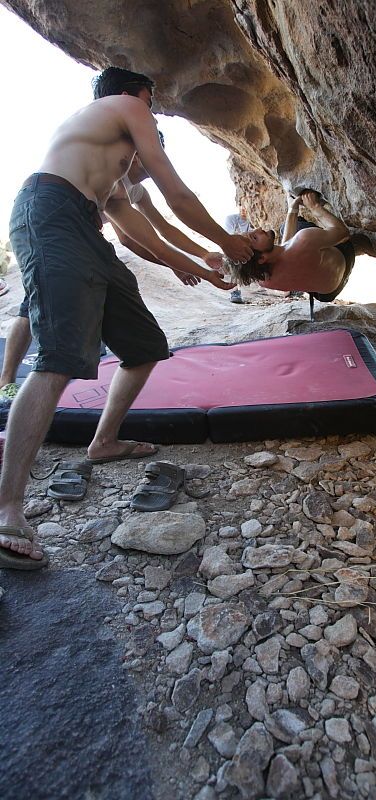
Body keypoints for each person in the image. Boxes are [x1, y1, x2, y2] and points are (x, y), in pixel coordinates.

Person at [0, 65, 252, 570]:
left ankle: (104, 442)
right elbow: (177, 194)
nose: (154, 115)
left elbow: (145, 237)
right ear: (138, 96)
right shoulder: (126, 106)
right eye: (153, 104)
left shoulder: (111, 177)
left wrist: (206, 270)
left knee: (142, 346)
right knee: (59, 359)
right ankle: (7, 508)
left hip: (85, 231)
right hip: (49, 211)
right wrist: (229, 245)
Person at [0, 131, 224, 401]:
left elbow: (159, 231)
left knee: (44, 297)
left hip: (84, 235)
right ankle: (7, 381)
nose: (157, 162)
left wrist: (202, 254)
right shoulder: (111, 174)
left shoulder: (137, 192)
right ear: (138, 154)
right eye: (153, 153)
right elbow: (140, 241)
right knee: (33, 301)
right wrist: (193, 270)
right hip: (52, 222)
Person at [223, 191, 355, 301]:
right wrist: (314, 206)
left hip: (325, 295)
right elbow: (343, 233)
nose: (258, 229)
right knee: (298, 225)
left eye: (251, 232)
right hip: (345, 259)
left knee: (284, 228)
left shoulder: (262, 278)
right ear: (262, 258)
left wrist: (292, 208)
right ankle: (360, 244)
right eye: (255, 237)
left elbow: (285, 250)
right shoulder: (304, 239)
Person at [223, 205, 252, 304]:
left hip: (248, 250)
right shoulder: (231, 219)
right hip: (234, 249)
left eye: (246, 206)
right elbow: (228, 238)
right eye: (241, 205)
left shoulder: (253, 220)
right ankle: (235, 290)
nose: (244, 209)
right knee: (233, 259)